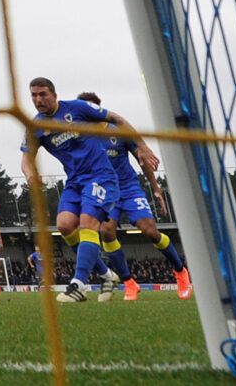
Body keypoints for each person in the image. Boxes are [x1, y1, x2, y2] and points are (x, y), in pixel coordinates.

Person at [21, 77, 157, 303]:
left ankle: (79, 284)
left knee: (88, 224)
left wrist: (141, 146)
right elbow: (26, 159)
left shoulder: (77, 109)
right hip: (74, 182)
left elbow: (116, 118)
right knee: (64, 226)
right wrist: (30, 175)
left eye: (43, 94)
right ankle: (106, 274)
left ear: (54, 95)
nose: (38, 99)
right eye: (34, 95)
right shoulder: (35, 128)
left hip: (100, 176)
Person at [77, 92, 192, 301]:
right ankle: (130, 283)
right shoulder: (81, 137)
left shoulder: (118, 132)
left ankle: (180, 271)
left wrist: (156, 188)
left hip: (129, 188)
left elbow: (142, 158)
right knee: (106, 231)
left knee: (149, 231)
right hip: (105, 190)